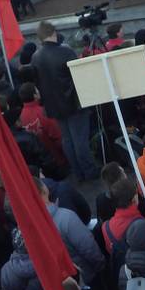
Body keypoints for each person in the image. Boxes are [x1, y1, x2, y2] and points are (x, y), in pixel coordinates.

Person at [31, 21, 98, 180]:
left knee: (68, 140)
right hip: (73, 103)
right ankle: (89, 171)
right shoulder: (65, 51)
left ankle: (78, 171)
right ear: (54, 32)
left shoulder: (35, 57)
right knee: (80, 140)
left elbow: (38, 83)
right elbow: (79, 75)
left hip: (54, 105)